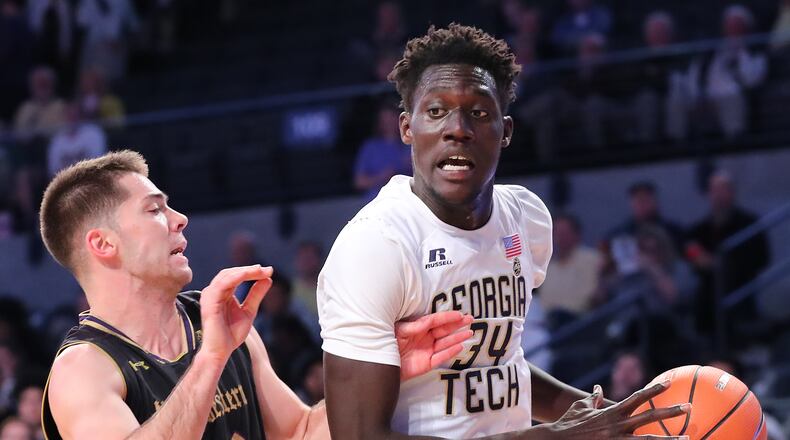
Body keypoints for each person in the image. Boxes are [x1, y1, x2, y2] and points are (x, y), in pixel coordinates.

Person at [318, 24, 690, 439]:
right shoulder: (375, 246)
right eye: (436, 111)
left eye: (478, 112)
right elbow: (357, 436)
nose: (457, 128)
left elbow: (498, 361)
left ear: (506, 131)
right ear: (407, 129)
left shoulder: (525, 218)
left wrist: (602, 417)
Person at [38, 150, 475, 439]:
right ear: (102, 244)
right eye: (154, 210)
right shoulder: (84, 369)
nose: (180, 218)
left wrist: (384, 367)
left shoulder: (218, 324)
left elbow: (301, 432)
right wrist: (211, 357)